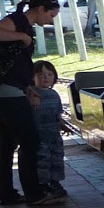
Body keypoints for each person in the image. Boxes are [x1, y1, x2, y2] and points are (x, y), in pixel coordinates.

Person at [0, 0, 62, 206]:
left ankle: (7, 194)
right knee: (30, 141)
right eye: (51, 15)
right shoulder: (17, 21)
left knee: (7, 143)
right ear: (40, 9)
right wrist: (21, 37)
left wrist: (27, 87)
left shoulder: (24, 24)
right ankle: (35, 194)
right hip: (5, 92)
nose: (51, 20)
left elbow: (17, 63)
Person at [29, 60, 68, 200]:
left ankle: (55, 182)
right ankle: (43, 185)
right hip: (40, 137)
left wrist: (62, 125)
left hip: (55, 136)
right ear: (33, 77)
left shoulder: (54, 94)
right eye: (40, 74)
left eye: (49, 74)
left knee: (57, 161)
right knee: (42, 162)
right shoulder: (31, 94)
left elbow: (58, 114)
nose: (45, 77)